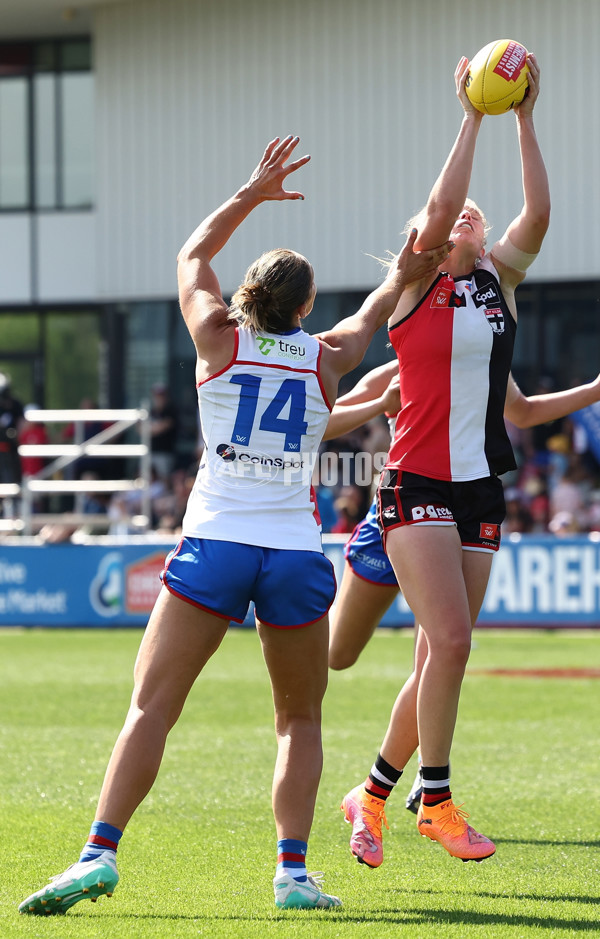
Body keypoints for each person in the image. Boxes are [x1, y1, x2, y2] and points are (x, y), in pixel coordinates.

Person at [19, 136, 451, 916]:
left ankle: (99, 852)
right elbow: (387, 294)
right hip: (291, 552)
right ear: (304, 306)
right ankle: (291, 873)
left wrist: (253, 192)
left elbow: (192, 251)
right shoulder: (326, 356)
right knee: (301, 718)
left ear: (248, 291)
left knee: (152, 707)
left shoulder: (216, 336)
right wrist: (419, 257)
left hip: (214, 543)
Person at [339, 52, 551, 866]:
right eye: (458, 216)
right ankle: (438, 797)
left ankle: (374, 793)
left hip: (479, 487)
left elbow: (539, 208)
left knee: (438, 652)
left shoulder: (498, 278)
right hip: (415, 481)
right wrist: (472, 111)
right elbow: (438, 204)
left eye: (476, 215)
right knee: (453, 642)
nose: (471, 217)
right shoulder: (413, 283)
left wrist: (525, 116)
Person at [325, 363, 600, 814]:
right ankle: (288, 626)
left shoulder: (487, 352)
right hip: (397, 512)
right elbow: (324, 415)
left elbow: (524, 411)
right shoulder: (405, 357)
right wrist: (379, 407)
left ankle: (427, 778)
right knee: (338, 654)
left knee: (441, 651)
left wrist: (593, 389)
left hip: (460, 512)